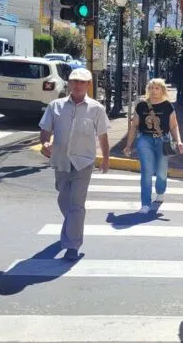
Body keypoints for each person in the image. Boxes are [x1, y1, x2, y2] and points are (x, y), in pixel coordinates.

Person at [39, 67, 111, 261]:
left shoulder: (96, 108)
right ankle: (73, 226)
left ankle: (72, 246)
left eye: (82, 82)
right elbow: (45, 130)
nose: (78, 85)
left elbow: (103, 135)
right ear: (69, 84)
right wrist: (45, 142)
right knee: (64, 201)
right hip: (60, 160)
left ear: (89, 85)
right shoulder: (55, 106)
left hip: (83, 162)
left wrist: (105, 158)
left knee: (76, 205)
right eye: (74, 81)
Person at [123, 78, 183, 214]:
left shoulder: (167, 106)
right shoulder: (141, 106)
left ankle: (160, 191)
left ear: (162, 90)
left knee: (162, 171)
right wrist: (128, 145)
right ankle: (145, 203)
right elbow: (134, 126)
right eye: (151, 88)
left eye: (156, 88)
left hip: (163, 139)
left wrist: (178, 141)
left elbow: (174, 126)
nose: (153, 91)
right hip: (144, 139)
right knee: (146, 170)